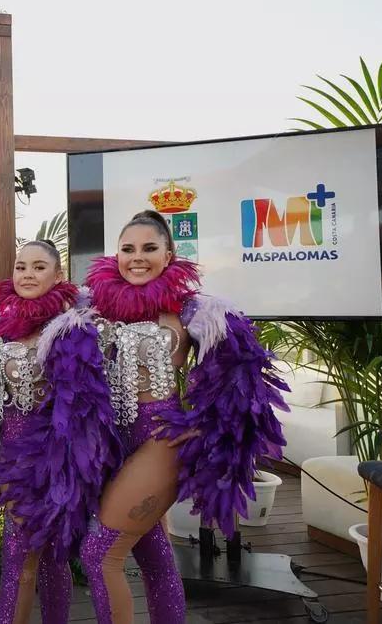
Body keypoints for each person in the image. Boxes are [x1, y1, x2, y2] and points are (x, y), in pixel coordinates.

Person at [77, 210, 289, 624]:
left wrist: (205, 426)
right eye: (128, 249)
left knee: (100, 554)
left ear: (170, 254)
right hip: (112, 443)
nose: (137, 257)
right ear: (116, 254)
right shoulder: (95, 307)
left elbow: (242, 378)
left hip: (161, 439)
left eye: (149, 248)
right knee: (152, 553)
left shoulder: (193, 310)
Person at [0, 240, 88, 624]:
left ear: (58, 276)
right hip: (11, 454)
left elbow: (83, 403)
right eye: (21, 267)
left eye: (39, 267)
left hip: (54, 456)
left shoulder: (71, 328)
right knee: (20, 552)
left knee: (49, 553)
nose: (27, 274)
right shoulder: (0, 324)